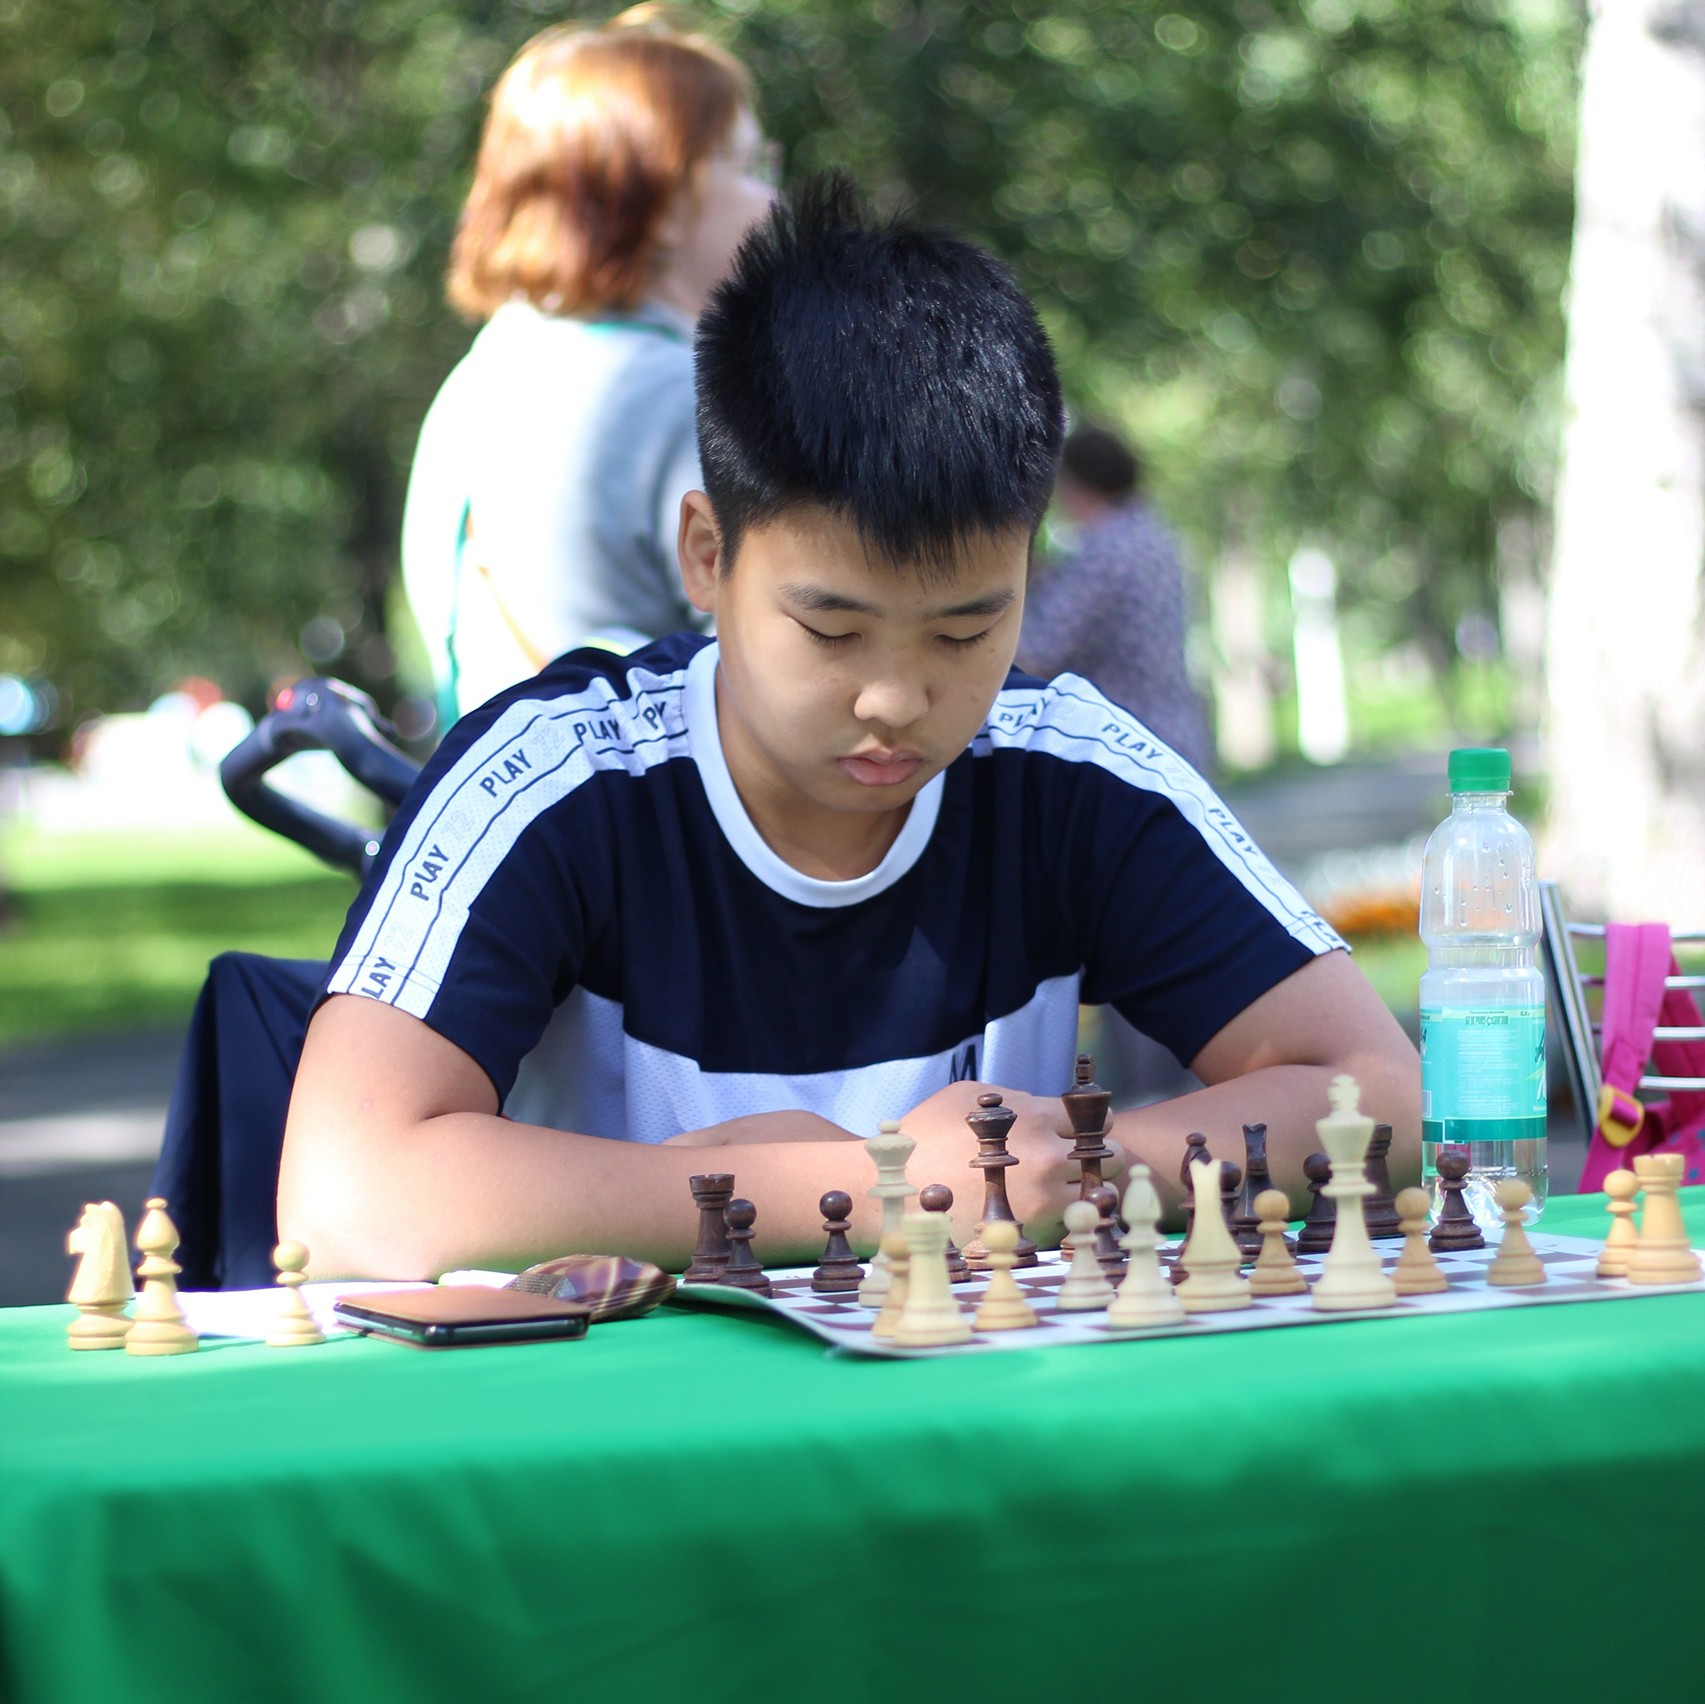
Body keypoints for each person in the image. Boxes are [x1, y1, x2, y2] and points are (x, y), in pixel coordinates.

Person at [280, 175, 1420, 1280]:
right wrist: (871, 1189)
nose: (895, 699)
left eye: (966, 633)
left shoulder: (1072, 774)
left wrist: (1076, 1169)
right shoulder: (556, 782)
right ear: (707, 557)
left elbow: (1375, 1086)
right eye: (831, 631)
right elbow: (339, 1194)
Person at [402, 6, 776, 726]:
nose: (772, 200)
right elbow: (782, 674)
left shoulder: (484, 375)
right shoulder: (670, 393)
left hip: (521, 812)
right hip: (643, 824)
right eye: (749, 165)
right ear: (664, 200)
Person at [1018, 424, 1213, 775]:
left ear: (1075, 481)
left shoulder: (1106, 550)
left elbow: (1038, 652)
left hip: (1127, 750)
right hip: (1175, 736)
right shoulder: (1154, 535)